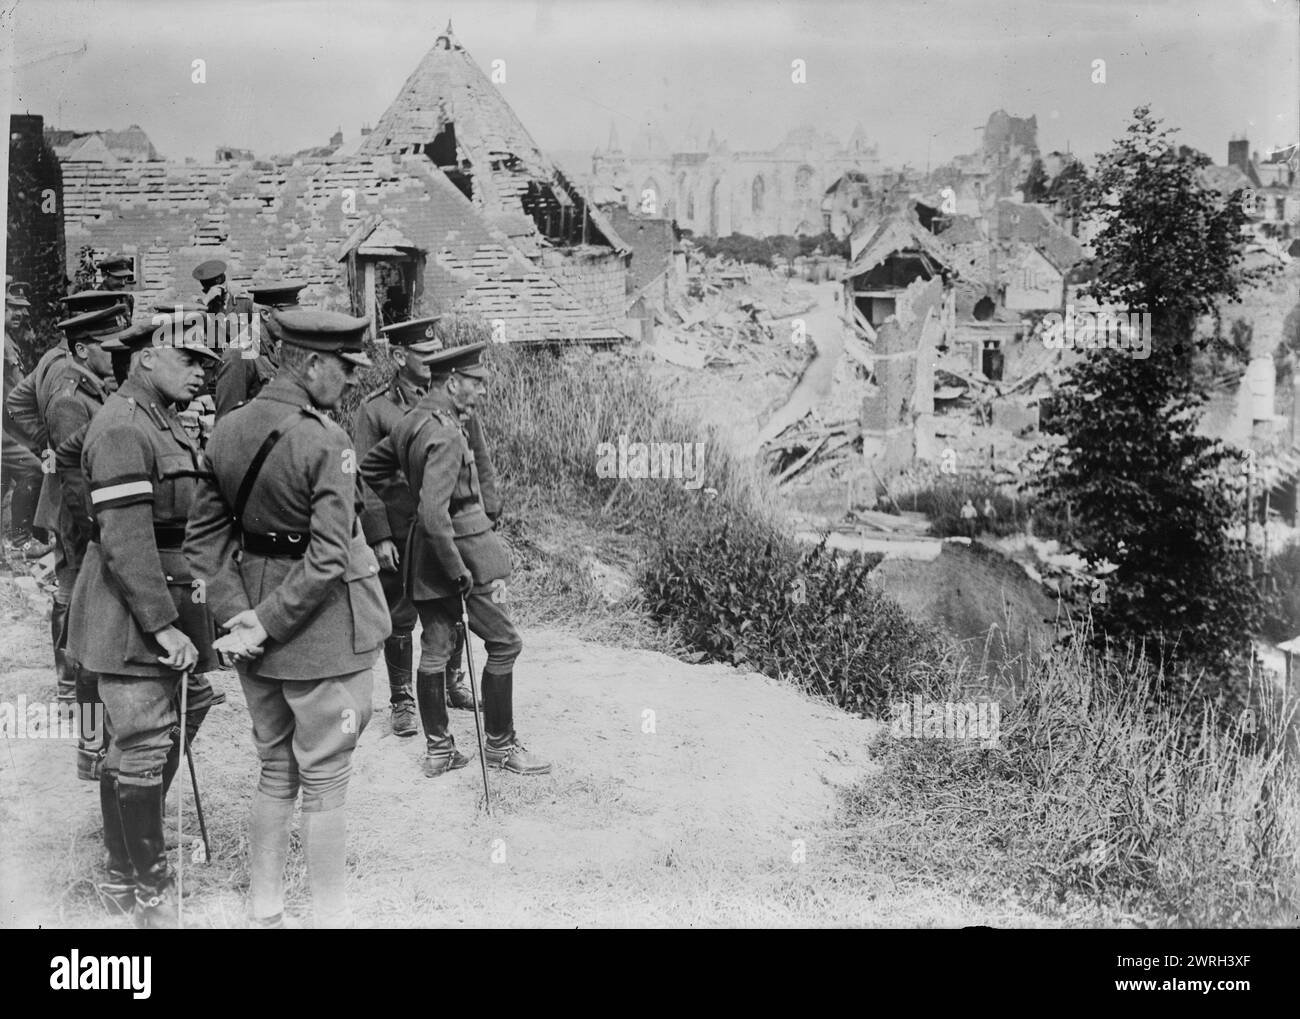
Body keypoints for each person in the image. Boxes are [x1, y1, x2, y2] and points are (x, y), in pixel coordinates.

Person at [184, 308, 390, 929]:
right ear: (311, 364)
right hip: (323, 630)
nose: (352, 381)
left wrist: (241, 617)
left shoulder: (226, 429)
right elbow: (329, 556)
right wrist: (268, 621)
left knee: (276, 769)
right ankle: (330, 917)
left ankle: (265, 910)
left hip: (255, 628)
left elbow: (202, 542)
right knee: (325, 778)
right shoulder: (326, 440)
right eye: (346, 369)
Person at [65, 310, 223, 927]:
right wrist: (162, 626)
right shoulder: (122, 427)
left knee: (174, 720)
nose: (202, 374)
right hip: (130, 611)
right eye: (190, 360)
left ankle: (125, 861)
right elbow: (126, 539)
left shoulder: (162, 421)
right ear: (148, 357)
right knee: (143, 744)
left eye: (208, 366)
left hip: (161, 598)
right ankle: (145, 891)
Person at [360, 342, 549, 778]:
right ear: (452, 382)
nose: (482, 390)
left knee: (436, 645)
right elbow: (434, 512)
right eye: (476, 382)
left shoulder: (412, 421)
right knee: (505, 643)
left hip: (424, 556)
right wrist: (456, 565)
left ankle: (440, 750)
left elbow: (370, 469)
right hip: (463, 553)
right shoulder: (444, 432)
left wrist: (410, 506)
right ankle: (501, 747)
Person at [356, 316, 480, 738]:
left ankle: (450, 683)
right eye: (424, 354)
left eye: (436, 352)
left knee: (451, 604)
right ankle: (403, 699)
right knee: (400, 615)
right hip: (401, 529)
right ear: (398, 356)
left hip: (441, 526)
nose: (433, 360)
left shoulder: (447, 401)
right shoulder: (375, 409)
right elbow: (363, 475)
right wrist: (379, 534)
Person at [44, 305, 118, 778]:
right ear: (83, 349)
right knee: (82, 632)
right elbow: (75, 482)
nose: (113, 356)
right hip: (80, 529)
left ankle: (89, 736)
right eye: (107, 348)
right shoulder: (70, 398)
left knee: (84, 631)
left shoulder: (92, 389)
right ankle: (88, 745)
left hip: (85, 528)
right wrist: (95, 535)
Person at [212, 281, 304, 420]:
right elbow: (226, 423)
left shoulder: (273, 347)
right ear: (265, 314)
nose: (295, 323)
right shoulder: (239, 354)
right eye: (290, 317)